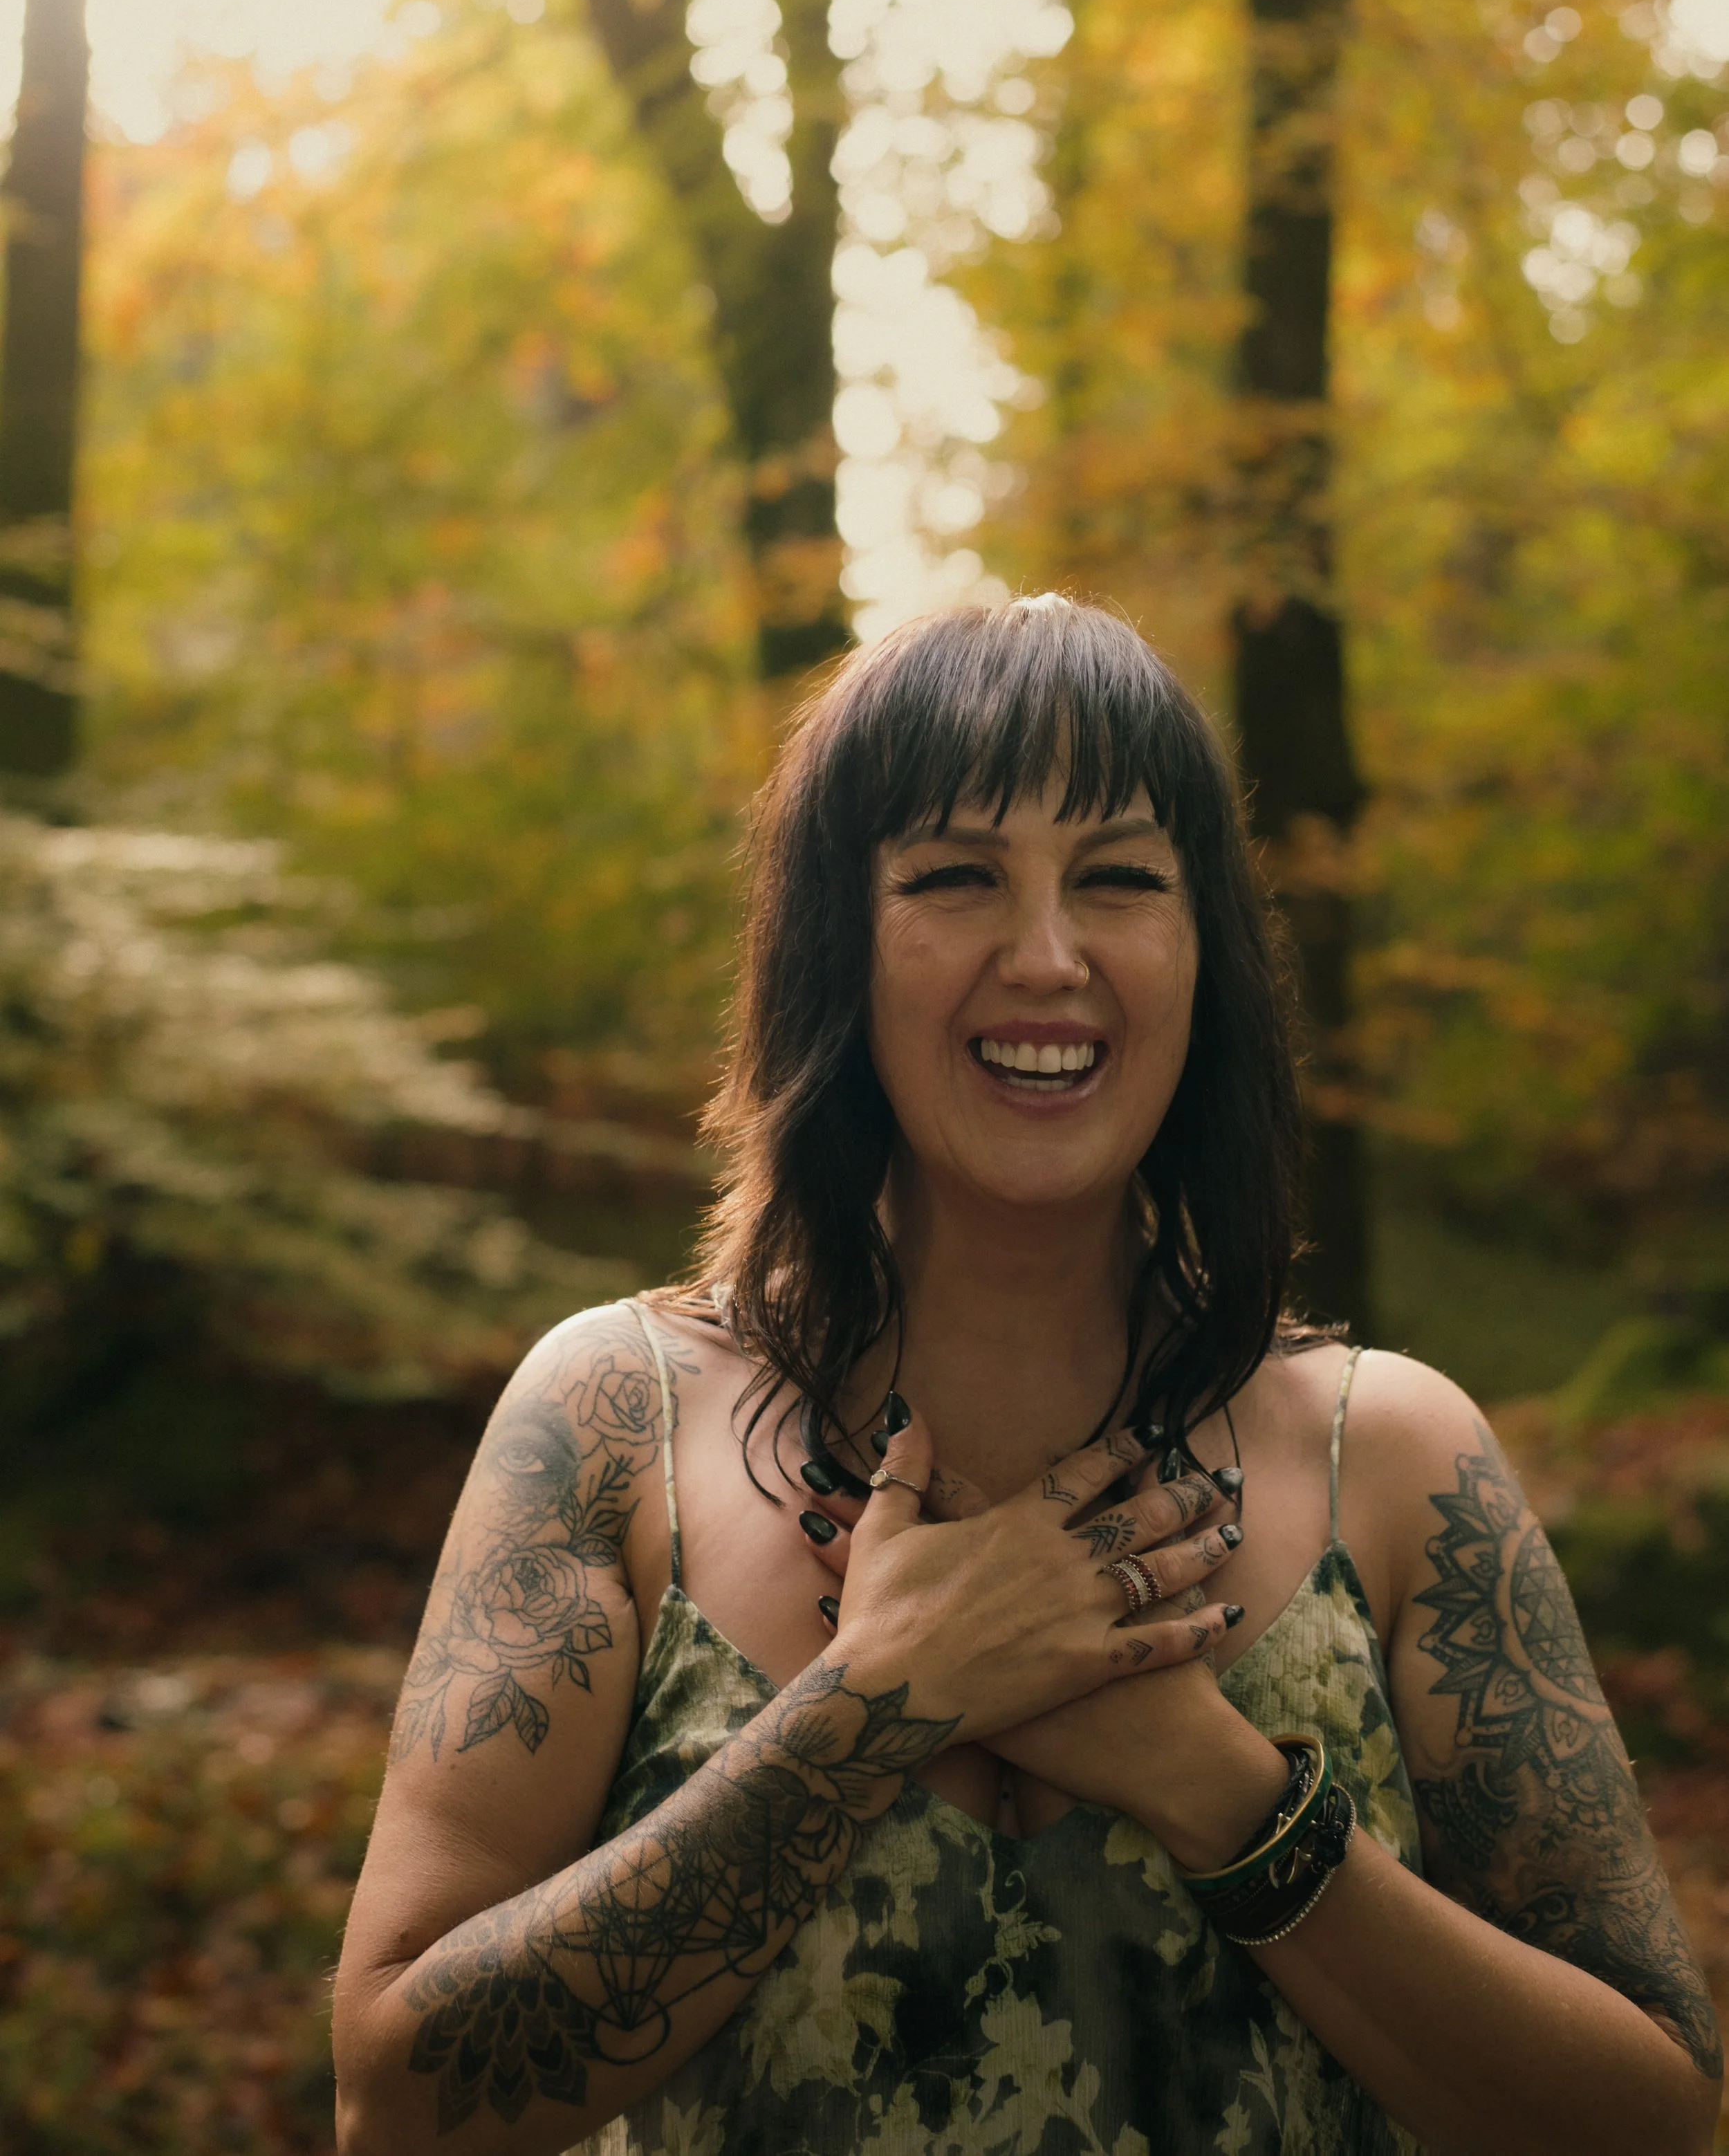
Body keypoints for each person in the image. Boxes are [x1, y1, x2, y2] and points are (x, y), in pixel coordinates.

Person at [333, 595, 1720, 2156]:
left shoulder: (1390, 1459)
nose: (1047, 957)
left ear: (1204, 957)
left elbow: (1653, 2124)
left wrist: (1212, 1791)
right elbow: (395, 2103)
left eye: (1119, 879)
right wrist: (877, 1706)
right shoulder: (611, 1420)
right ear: (834, 948)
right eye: (954, 877)